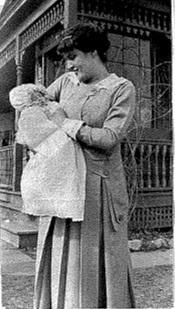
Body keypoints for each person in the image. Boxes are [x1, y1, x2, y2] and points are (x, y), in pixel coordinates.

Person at [34, 22, 136, 309]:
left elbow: (110, 138)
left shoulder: (120, 88)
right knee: (62, 254)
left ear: (93, 53)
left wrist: (64, 124)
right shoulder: (66, 83)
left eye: (73, 57)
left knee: (92, 259)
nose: (68, 65)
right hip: (63, 182)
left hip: (97, 188)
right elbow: (37, 101)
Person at [9, 83, 86, 221]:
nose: (38, 96)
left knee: (64, 172)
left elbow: (60, 119)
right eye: (33, 95)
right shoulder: (30, 112)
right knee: (38, 176)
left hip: (62, 143)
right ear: (28, 99)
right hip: (47, 145)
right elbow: (33, 133)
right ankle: (41, 205)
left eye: (39, 93)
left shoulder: (53, 106)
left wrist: (59, 124)